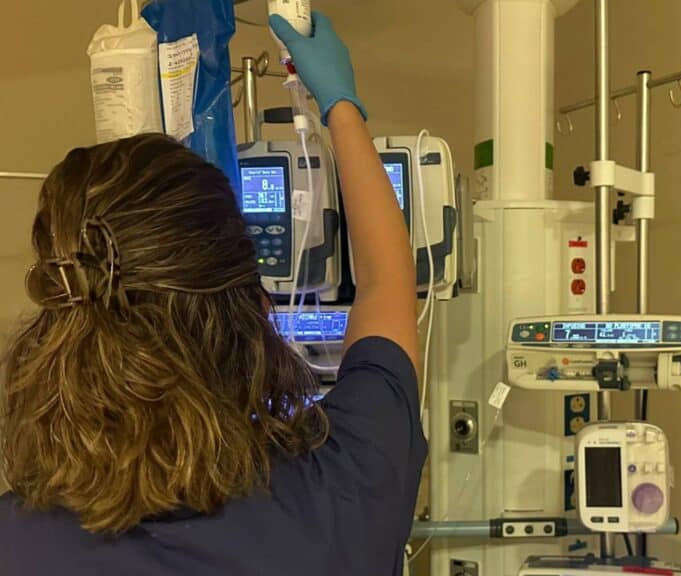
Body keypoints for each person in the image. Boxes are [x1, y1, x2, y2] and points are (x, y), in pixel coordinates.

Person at [0, 13, 425, 576]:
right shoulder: (342, 493)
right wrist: (340, 105)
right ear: (245, 308)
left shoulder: (15, 543)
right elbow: (386, 285)